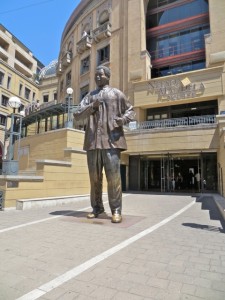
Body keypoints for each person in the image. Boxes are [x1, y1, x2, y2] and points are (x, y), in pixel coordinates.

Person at [73, 65, 135, 223]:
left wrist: (123, 120)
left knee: (113, 178)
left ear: (108, 76)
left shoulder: (116, 94)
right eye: (96, 75)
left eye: (100, 74)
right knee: (94, 178)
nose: (97, 77)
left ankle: (116, 210)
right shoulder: (89, 96)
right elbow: (77, 115)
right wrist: (91, 107)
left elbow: (131, 110)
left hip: (111, 142)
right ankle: (97, 207)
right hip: (93, 142)